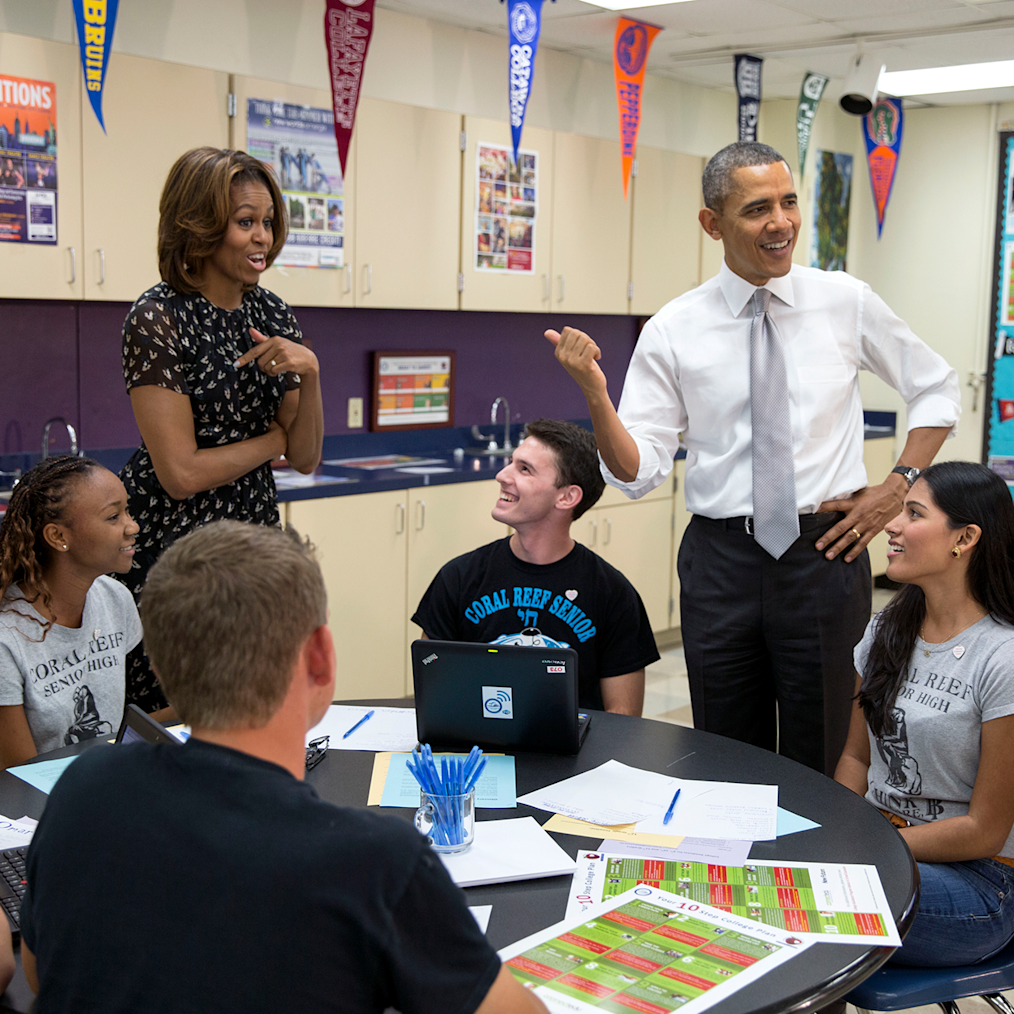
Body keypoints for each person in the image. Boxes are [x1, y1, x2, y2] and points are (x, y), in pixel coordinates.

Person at [546, 141, 960, 772]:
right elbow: (636, 472)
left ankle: (825, 869)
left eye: (789, 202)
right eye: (757, 208)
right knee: (724, 751)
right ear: (713, 222)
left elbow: (936, 386)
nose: (781, 222)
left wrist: (897, 486)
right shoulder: (674, 328)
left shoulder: (843, 301)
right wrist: (598, 397)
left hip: (824, 552)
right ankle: (732, 867)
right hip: (722, 563)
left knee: (825, 746)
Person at [18, 521, 547, 1014]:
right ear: (320, 659)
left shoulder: (84, 788)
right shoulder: (375, 862)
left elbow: (40, 975)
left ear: (157, 663)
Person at [118, 146, 324, 716]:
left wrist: (311, 371)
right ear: (201, 227)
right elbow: (181, 473)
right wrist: (271, 441)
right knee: (175, 712)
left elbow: (305, 454)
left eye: (267, 223)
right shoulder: (156, 318)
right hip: (172, 544)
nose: (263, 237)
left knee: (250, 700)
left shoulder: (275, 315)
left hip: (251, 536)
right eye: (245, 223)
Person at [835, 461, 1014, 966]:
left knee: (800, 904)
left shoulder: (1004, 656)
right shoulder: (887, 629)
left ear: (965, 538)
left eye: (913, 513)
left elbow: (985, 829)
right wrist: (842, 835)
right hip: (878, 848)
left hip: (980, 880)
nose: (892, 523)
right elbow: (855, 758)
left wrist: (867, 847)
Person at [413, 419, 659, 715]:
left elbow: (625, 722)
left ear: (567, 497)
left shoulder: (613, 594)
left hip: (577, 757)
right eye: (511, 463)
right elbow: (433, 696)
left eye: (524, 469)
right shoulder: (458, 578)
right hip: (477, 752)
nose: (502, 475)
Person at [0, 456, 142, 769]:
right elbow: (20, 777)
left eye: (127, 511)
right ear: (59, 537)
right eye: (113, 517)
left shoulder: (115, 598)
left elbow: (122, 727)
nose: (133, 526)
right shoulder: (5, 638)